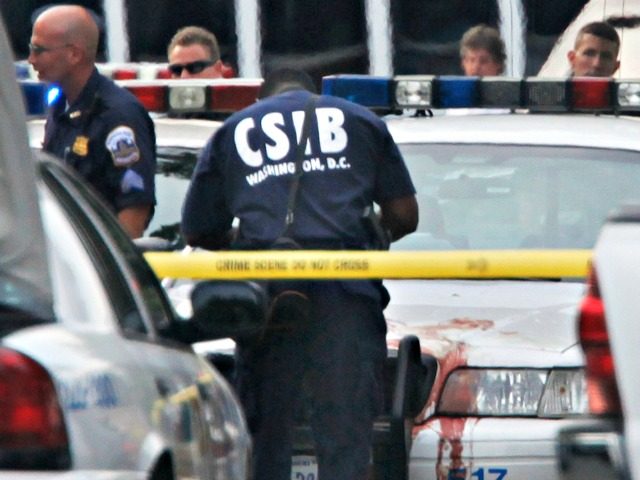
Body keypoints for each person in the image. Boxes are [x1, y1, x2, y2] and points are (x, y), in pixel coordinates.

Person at [181, 68, 418, 479]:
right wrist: (373, 236)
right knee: (345, 436)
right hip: (346, 292)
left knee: (266, 434)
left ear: (262, 98)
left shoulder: (233, 130)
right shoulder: (361, 121)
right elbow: (405, 214)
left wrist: (243, 242)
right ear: (314, 92)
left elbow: (198, 228)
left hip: (269, 299)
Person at [28, 5, 156, 239]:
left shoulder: (118, 114)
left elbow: (134, 208)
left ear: (74, 54)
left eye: (39, 50)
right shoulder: (60, 108)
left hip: (97, 261)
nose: (31, 59)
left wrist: (115, 267)